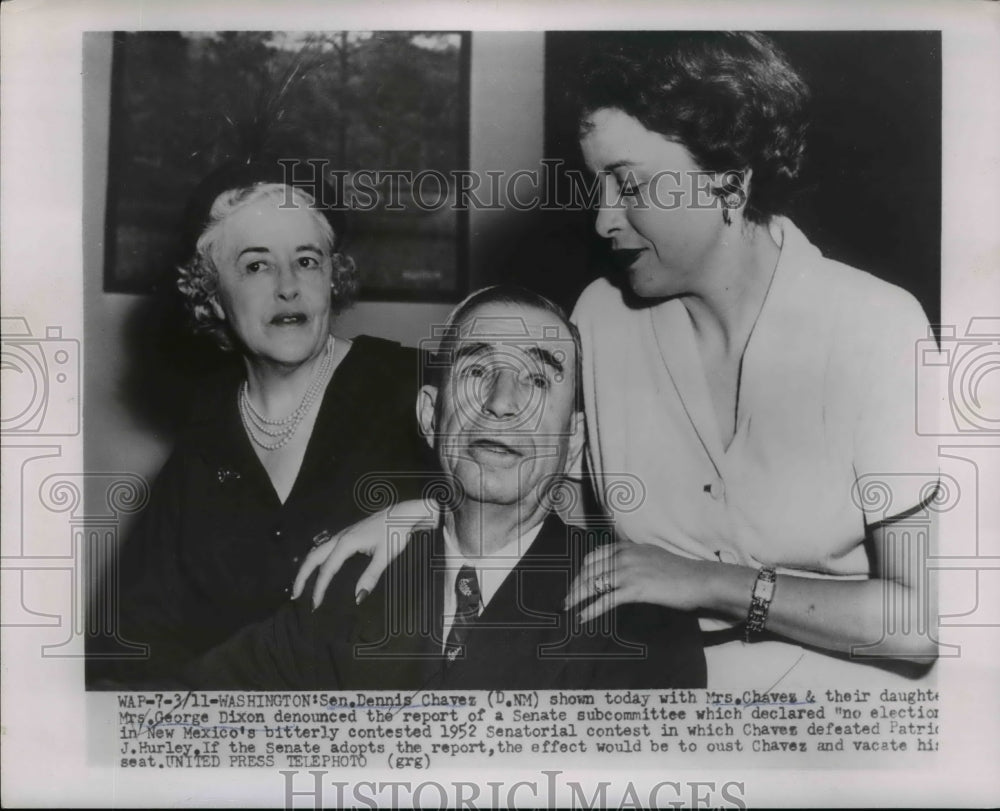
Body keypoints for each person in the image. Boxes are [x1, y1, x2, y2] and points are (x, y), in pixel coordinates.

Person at [296, 34, 942, 688]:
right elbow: (555, 515)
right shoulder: (601, 319)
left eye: (629, 184)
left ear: (730, 181)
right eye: (596, 185)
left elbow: (917, 622)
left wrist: (711, 583)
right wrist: (433, 519)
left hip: (838, 723)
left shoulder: (875, 325)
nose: (604, 219)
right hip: (652, 701)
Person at [179, 286, 706, 690]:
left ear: (574, 445)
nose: (502, 402)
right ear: (431, 416)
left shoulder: (637, 616)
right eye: (477, 370)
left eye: (538, 380)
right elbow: (181, 717)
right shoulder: (346, 588)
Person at [87, 162, 431, 688]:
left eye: (307, 261)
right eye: (256, 266)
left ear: (332, 279)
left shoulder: (414, 385)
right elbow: (134, 642)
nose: (288, 287)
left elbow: (547, 491)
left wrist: (431, 512)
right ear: (211, 294)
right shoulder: (204, 439)